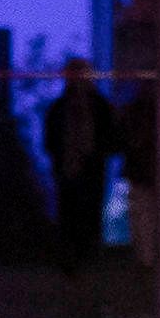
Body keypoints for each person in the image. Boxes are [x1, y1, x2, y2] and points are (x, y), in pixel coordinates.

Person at [42, 55, 110, 274]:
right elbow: (51, 139)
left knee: (88, 213)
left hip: (90, 169)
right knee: (69, 213)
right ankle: (72, 259)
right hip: (69, 169)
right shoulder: (61, 107)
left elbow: (111, 137)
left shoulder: (98, 105)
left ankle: (85, 257)